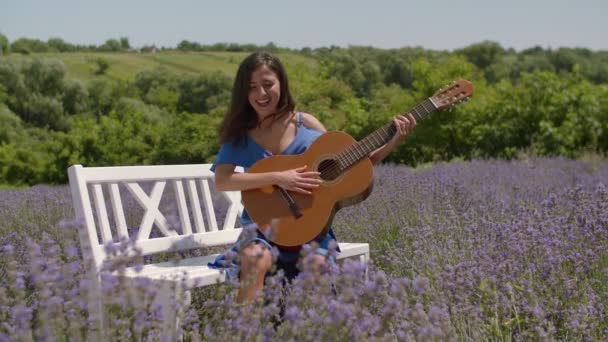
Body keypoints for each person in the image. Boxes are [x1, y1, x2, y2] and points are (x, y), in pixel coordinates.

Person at [209, 51, 417, 303]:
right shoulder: (241, 134)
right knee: (254, 259)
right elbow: (223, 180)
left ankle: (313, 330)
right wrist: (279, 177)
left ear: (281, 84)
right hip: (262, 229)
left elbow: (356, 163)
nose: (261, 94)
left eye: (268, 85)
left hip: (311, 229)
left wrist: (394, 140)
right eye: (252, 87)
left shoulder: (305, 123)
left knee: (318, 264)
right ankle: (243, 330)